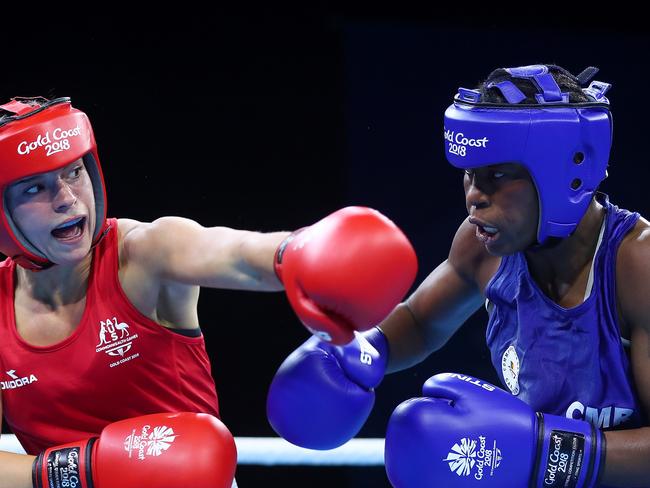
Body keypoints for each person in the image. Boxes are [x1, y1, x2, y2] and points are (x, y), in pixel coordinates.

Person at [0, 96, 418, 488]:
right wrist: (83, 469)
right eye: (35, 188)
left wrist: (301, 253)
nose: (68, 198)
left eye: (74, 172)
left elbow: (235, 254)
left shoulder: (143, 254)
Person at [266, 65, 650, 487]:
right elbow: (419, 322)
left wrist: (544, 451)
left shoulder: (637, 265)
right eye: (469, 174)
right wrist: (359, 350)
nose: (474, 196)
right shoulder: (481, 246)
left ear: (565, 172)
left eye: (497, 175)